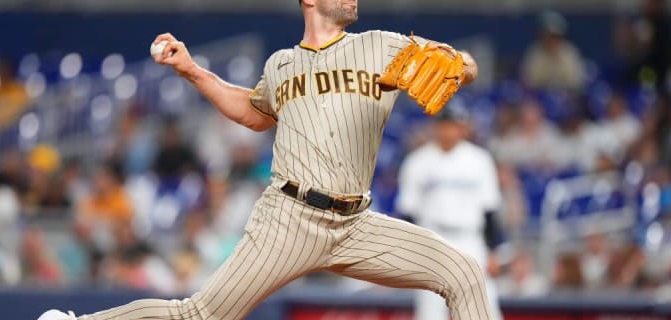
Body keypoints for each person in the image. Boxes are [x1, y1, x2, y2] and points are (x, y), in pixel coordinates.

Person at [39, 0, 492, 319]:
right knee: (201, 315)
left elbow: (464, 67)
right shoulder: (281, 65)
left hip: (356, 223)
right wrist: (193, 71)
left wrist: (457, 62)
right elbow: (255, 114)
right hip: (290, 218)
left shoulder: (379, 46)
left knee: (464, 274)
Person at [396, 104, 504, 320]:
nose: (449, 130)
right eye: (444, 125)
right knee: (430, 311)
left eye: (454, 125)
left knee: (484, 305)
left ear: (463, 128)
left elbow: (490, 210)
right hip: (433, 241)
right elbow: (407, 213)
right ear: (436, 127)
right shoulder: (417, 161)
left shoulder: (480, 160)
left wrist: (493, 251)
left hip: (470, 239)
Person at [520, 11, 586, 92]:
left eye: (554, 36)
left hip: (566, 97)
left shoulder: (569, 52)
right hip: (540, 98)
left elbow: (577, 82)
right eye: (547, 35)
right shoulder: (534, 53)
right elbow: (527, 82)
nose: (551, 40)